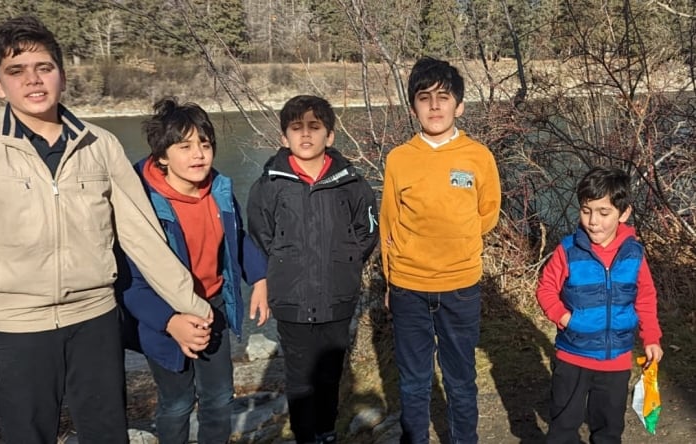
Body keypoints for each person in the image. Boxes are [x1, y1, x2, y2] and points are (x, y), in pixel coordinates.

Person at [0, 16, 213, 444]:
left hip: (96, 320)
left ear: (61, 74)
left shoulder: (101, 145)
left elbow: (142, 235)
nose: (33, 80)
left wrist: (189, 302)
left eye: (43, 67)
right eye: (16, 70)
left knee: (107, 434)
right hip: (16, 328)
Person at [119, 97, 269, 444]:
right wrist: (170, 322)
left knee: (218, 398)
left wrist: (259, 278)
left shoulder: (219, 190)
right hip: (164, 316)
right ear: (161, 156)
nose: (198, 154)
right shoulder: (141, 203)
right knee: (177, 402)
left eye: (204, 144)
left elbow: (237, 239)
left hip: (211, 307)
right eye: (184, 146)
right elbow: (129, 280)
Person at [379, 57, 502, 444]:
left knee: (461, 379)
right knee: (414, 381)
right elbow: (389, 223)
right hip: (408, 288)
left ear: (459, 105)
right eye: (424, 97)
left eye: (443, 97)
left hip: (460, 286)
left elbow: (488, 213)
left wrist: (457, 242)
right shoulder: (399, 159)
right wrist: (390, 277)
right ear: (413, 106)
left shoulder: (478, 156)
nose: (434, 106)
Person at [247, 95, 379, 444]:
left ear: (330, 136)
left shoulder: (351, 184)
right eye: (296, 128)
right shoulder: (269, 186)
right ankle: (306, 436)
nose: (306, 136)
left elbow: (367, 233)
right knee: (300, 378)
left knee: (330, 374)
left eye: (315, 128)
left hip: (338, 297)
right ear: (283, 137)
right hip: (291, 299)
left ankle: (326, 431)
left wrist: (345, 265)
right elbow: (261, 237)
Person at [536, 166, 663, 443]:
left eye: (604, 213)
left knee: (608, 431)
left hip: (616, 361)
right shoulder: (567, 250)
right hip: (572, 356)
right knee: (563, 429)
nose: (593, 221)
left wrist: (651, 337)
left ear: (624, 213)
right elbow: (546, 289)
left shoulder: (635, 254)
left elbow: (645, 297)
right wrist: (564, 317)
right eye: (586, 210)